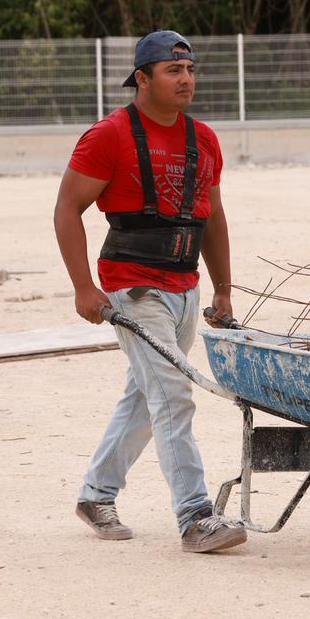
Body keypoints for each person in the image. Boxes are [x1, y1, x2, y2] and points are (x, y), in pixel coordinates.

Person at [53, 29, 246, 553]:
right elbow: (67, 208)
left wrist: (223, 289)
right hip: (134, 290)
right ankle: (195, 516)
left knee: (147, 394)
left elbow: (213, 217)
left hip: (185, 287)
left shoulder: (204, 139)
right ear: (142, 78)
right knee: (173, 396)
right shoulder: (108, 136)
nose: (186, 80)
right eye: (173, 70)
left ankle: (96, 494)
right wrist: (83, 288)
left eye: (190, 70)